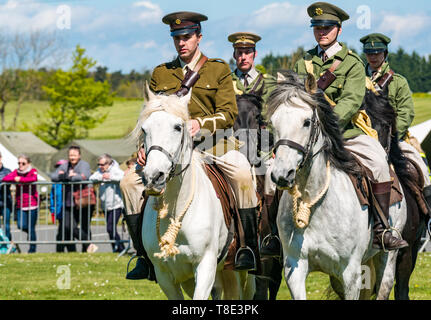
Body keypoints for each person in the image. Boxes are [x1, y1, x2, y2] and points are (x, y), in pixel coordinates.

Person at [120, 11, 260, 280]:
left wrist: (201, 124)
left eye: (186, 37)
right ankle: (143, 256)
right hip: (167, 150)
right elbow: (148, 116)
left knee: (242, 173)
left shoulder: (217, 69)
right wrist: (142, 146)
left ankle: (247, 248)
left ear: (199, 37)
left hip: (212, 145)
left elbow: (229, 113)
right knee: (128, 184)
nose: (181, 42)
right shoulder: (161, 73)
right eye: (177, 38)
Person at [266, 2, 407, 253]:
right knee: (274, 170)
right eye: (317, 28)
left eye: (327, 27)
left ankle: (381, 230)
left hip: (347, 134)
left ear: (338, 30)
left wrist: (324, 126)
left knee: (378, 162)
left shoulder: (351, 63)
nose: (322, 32)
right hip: (306, 136)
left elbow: (351, 102)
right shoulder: (304, 64)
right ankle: (275, 234)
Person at [360, 33, 431, 209]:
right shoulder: (356, 81)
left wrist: (390, 133)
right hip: (363, 138)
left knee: (421, 168)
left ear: (385, 53)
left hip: (395, 138)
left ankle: (428, 217)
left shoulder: (398, 82)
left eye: (377, 52)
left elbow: (406, 112)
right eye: (370, 53)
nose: (373, 57)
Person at [51, 145, 92, 253]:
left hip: (83, 200)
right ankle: (88, 243)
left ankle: (86, 250)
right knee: (67, 226)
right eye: (70, 155)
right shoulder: (65, 165)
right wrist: (68, 175)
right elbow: (54, 176)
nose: (72, 157)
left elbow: (84, 176)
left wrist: (68, 176)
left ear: (79, 155)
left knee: (85, 226)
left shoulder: (84, 165)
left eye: (74, 155)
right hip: (69, 201)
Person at [2, 155, 39, 253]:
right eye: (19, 163)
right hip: (21, 204)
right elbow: (5, 178)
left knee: (31, 227)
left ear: (28, 164)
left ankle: (32, 249)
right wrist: (15, 178)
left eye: (23, 163)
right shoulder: (16, 172)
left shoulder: (33, 171)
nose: (21, 165)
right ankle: (31, 236)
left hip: (32, 204)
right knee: (21, 225)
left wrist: (20, 180)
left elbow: (33, 179)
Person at [90, 153, 125, 253]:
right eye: (99, 164)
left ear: (109, 163)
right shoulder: (100, 171)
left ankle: (121, 248)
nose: (100, 167)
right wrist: (102, 177)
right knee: (110, 229)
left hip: (116, 204)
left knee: (110, 228)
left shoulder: (115, 170)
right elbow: (91, 178)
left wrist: (110, 177)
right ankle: (116, 249)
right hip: (105, 205)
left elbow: (122, 177)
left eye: (102, 164)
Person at [228, 32, 276, 104]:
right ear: (234, 55)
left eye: (247, 52)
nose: (243, 57)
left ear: (255, 54)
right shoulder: (226, 82)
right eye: (240, 53)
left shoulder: (270, 82)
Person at [50, 159, 67, 252]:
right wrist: (52, 210)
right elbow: (52, 197)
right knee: (62, 231)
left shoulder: (68, 182)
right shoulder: (55, 183)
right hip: (59, 210)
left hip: (68, 210)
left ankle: (62, 250)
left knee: (65, 231)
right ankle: (61, 251)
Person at [0, 151, 13, 241]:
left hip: (5, 203)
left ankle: (8, 245)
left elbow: (9, 180)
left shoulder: (7, 171)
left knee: (6, 226)